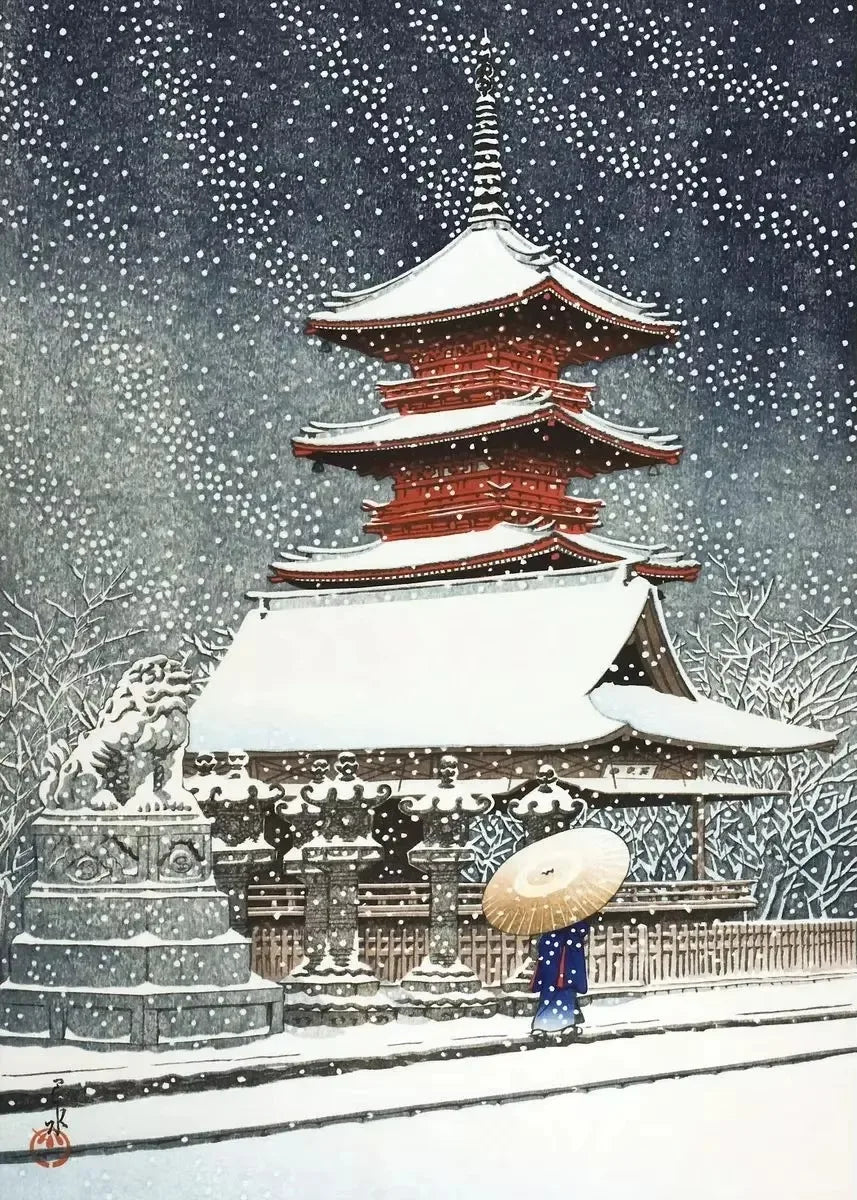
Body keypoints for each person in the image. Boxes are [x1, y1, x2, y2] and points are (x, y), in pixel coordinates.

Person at [530, 919, 590, 1040]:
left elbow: (581, 930)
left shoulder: (551, 925)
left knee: (557, 992)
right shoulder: (568, 920)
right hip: (560, 956)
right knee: (559, 991)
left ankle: (546, 1025)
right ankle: (560, 1024)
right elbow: (582, 930)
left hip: (559, 955)